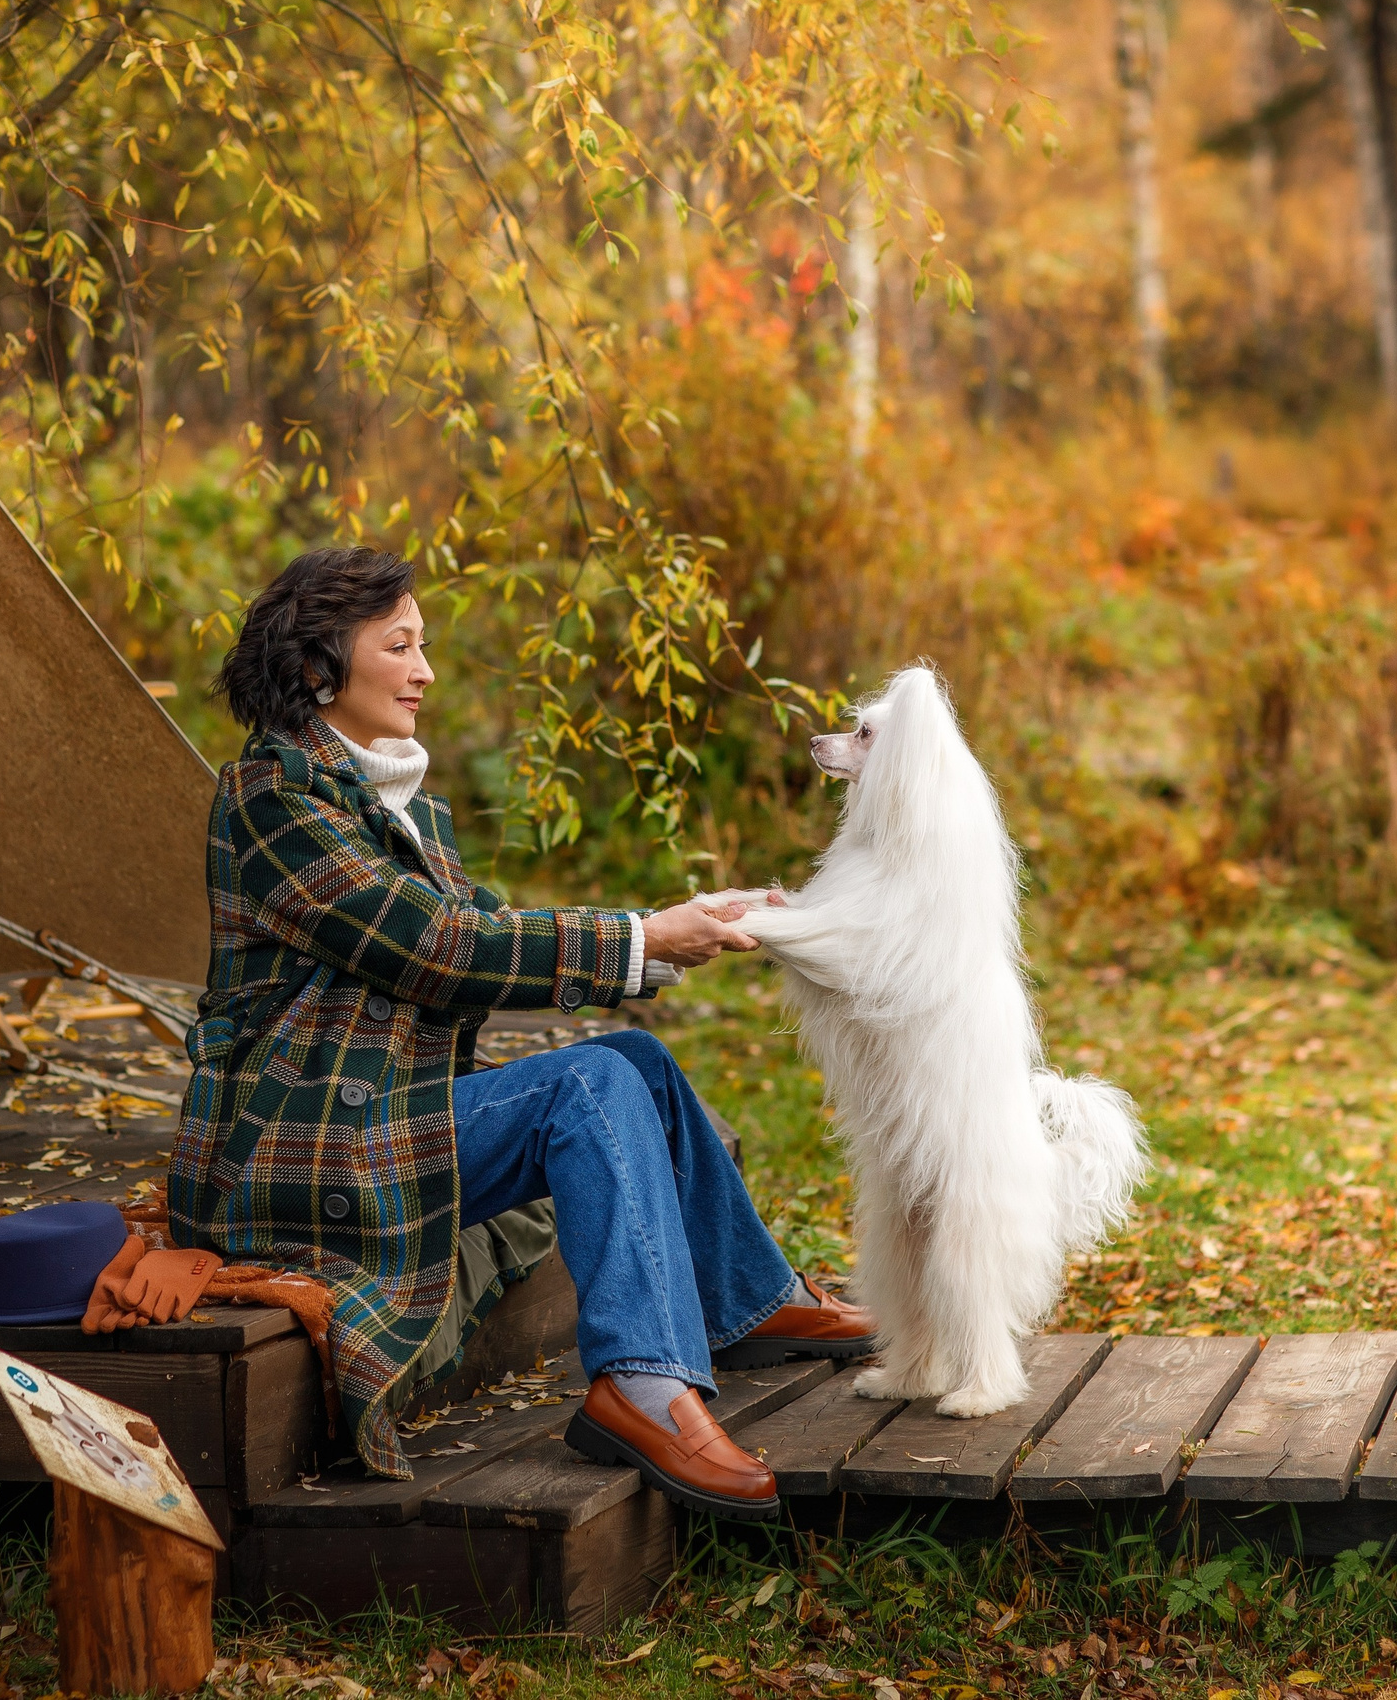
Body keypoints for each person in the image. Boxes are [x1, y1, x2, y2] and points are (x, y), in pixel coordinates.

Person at [163, 545, 874, 1518]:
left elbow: (486, 934)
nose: (424, 670)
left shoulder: (392, 808)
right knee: (588, 1089)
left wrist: (676, 924)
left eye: (423, 645)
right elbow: (436, 947)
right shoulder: (271, 799)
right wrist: (636, 938)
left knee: (633, 1062)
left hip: (378, 1130)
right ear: (320, 665)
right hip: (293, 1154)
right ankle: (644, 1380)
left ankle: (748, 1301)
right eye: (399, 645)